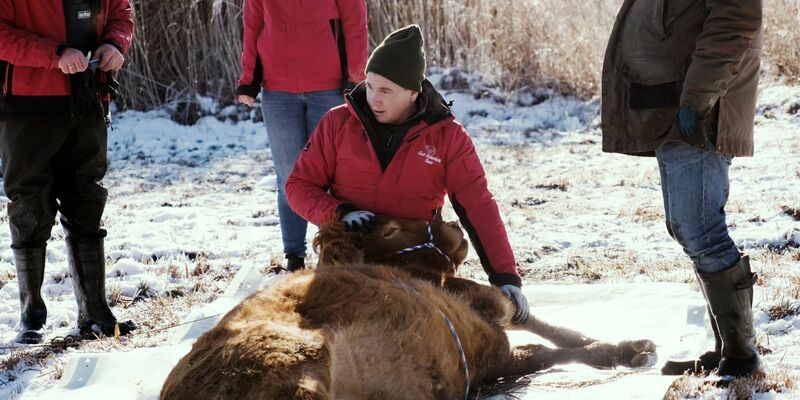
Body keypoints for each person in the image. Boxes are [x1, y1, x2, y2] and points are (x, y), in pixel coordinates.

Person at [285, 25, 530, 324]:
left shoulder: (447, 136)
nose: (374, 98)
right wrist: (338, 212)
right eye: (370, 85)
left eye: (386, 91)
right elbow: (298, 185)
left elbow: (478, 205)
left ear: (413, 92)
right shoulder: (337, 123)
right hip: (352, 254)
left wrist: (505, 275)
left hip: (417, 257)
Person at [601, 0, 762, 378]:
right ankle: (728, 349)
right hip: (674, 105)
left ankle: (741, 357)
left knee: (700, 228)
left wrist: (698, 98)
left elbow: (736, 19)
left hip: (699, 109)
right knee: (686, 226)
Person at [0, 0, 137, 344]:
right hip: (28, 103)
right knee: (29, 203)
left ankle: (95, 311)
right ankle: (31, 314)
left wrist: (114, 44)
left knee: (87, 199)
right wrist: (55, 54)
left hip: (89, 96)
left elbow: (121, 13)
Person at [236, 0, 368, 272]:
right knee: (289, 177)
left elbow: (355, 22)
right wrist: (249, 78)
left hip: (329, 88)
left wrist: (356, 77)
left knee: (333, 177)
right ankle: (294, 257)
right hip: (278, 91)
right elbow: (253, 25)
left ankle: (333, 251)